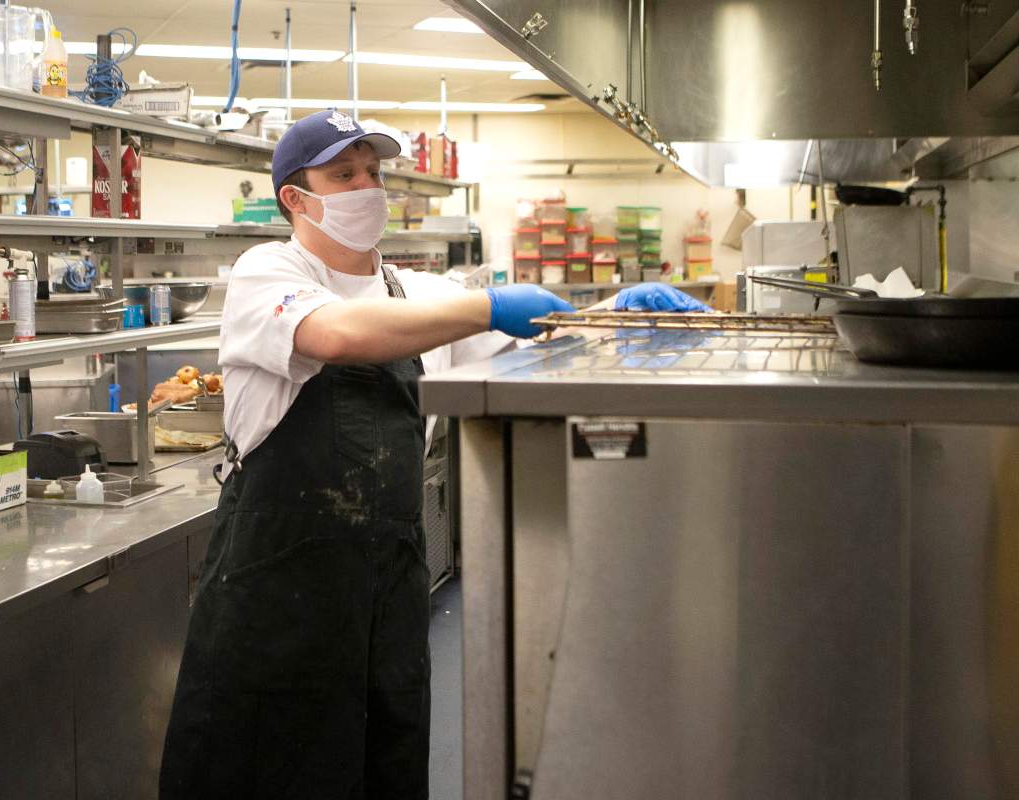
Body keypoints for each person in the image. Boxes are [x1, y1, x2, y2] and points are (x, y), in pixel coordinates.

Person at [159, 109, 705, 799]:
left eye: (374, 172)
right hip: (277, 605)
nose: (368, 187)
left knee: (387, 766)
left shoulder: (415, 295)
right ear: (295, 198)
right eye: (344, 174)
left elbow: (546, 347)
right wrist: (488, 306)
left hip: (388, 595)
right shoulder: (266, 272)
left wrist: (615, 315)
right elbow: (336, 334)